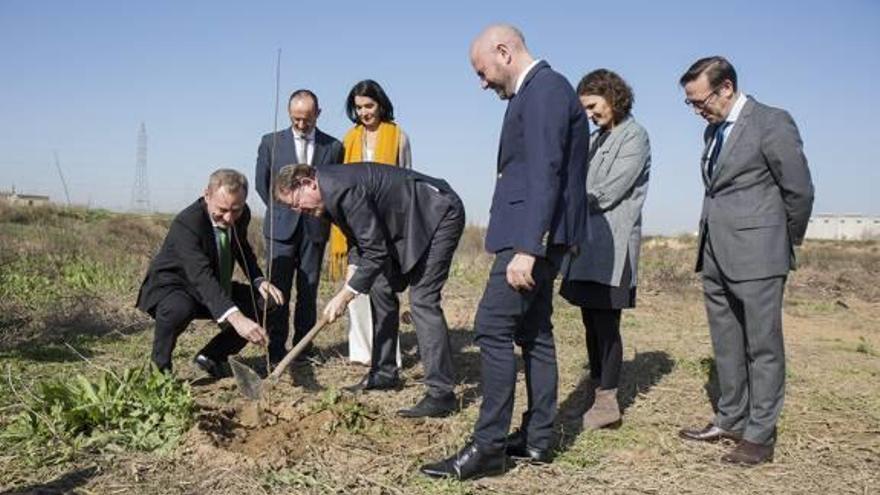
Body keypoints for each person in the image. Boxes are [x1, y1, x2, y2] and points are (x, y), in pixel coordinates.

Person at [421, 24, 588, 480]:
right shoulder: (536, 92)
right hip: (536, 236)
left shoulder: (545, 90)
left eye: (482, 70)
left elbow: (545, 171)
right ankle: (537, 440)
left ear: (504, 51)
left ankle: (489, 445)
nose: (482, 81)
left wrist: (528, 247)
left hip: (529, 240)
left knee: (491, 328)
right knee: (534, 332)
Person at [677, 56, 814, 465]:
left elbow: (799, 191)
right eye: (690, 104)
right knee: (727, 343)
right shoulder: (711, 133)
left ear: (727, 88)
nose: (697, 110)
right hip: (715, 252)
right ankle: (731, 418)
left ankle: (759, 435)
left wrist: (779, 241)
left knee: (763, 346)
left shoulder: (771, 122)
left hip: (759, 254)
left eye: (700, 101)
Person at [275, 163, 464, 418]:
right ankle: (384, 373)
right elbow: (360, 238)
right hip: (406, 220)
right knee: (379, 287)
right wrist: (353, 271)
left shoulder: (342, 189)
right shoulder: (326, 196)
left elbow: (375, 251)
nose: (299, 210)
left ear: (308, 183)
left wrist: (345, 295)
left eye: (297, 203)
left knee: (422, 299)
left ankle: (441, 394)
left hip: (438, 212)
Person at [559, 69, 651, 430]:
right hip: (587, 245)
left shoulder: (635, 136)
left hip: (613, 246)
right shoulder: (596, 139)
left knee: (606, 322)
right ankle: (596, 391)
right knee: (589, 320)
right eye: (585, 109)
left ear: (613, 96)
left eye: (593, 106)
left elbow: (610, 191)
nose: (590, 114)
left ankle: (608, 398)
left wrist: (567, 203)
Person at [136, 169, 284, 377]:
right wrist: (237, 318)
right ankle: (159, 373)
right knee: (178, 308)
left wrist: (259, 280)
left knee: (266, 302)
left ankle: (212, 356)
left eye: (236, 210)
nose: (229, 217)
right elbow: (200, 275)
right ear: (207, 195)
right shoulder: (187, 223)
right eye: (222, 209)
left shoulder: (241, 214)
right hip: (176, 286)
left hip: (215, 285)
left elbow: (242, 248)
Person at [255, 89, 343, 366]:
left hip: (315, 230)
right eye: (296, 120)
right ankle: (276, 348)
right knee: (278, 290)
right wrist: (288, 207)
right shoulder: (270, 142)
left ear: (318, 114)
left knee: (309, 290)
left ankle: (303, 348)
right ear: (289, 114)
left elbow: (334, 187)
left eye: (307, 119)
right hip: (280, 229)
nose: (302, 125)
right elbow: (262, 184)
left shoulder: (333, 147)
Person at [329, 79, 412, 367]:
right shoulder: (348, 140)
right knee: (356, 284)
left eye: (369, 105)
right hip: (354, 222)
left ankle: (387, 355)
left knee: (383, 289)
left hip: (387, 223)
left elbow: (407, 183)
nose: (364, 112)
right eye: (358, 107)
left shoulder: (399, 136)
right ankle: (363, 354)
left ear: (380, 104)